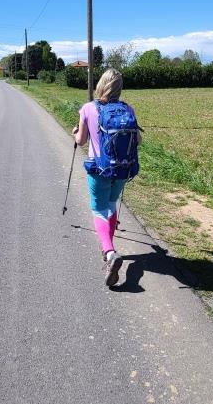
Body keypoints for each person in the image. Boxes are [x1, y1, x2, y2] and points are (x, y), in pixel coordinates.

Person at [72, 68, 141, 287]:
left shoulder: (88, 108)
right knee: (111, 205)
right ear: (119, 88)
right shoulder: (128, 109)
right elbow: (138, 141)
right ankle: (109, 251)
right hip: (121, 169)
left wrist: (75, 132)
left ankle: (110, 253)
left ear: (101, 84)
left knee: (98, 209)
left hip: (98, 168)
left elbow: (81, 140)